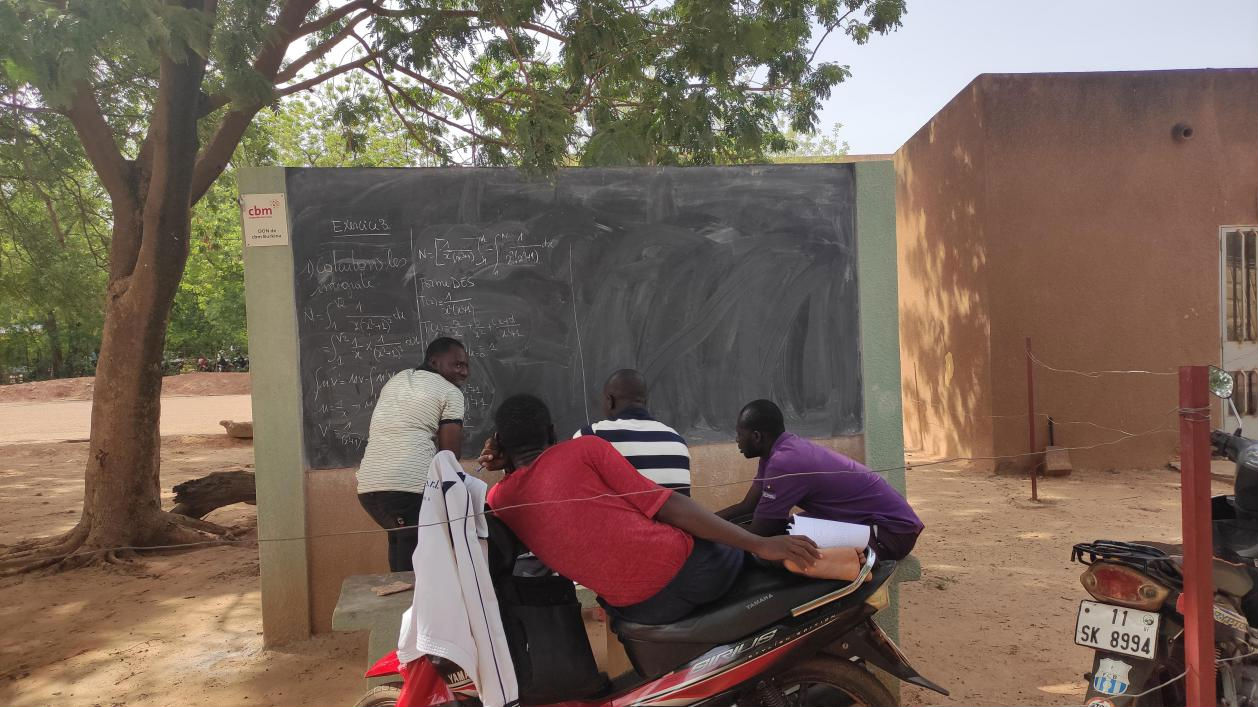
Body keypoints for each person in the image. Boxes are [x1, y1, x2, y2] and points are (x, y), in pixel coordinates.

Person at [485, 394, 820, 625]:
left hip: (638, 611)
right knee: (752, 549)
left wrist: (505, 465)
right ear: (552, 431)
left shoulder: (499, 501)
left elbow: (531, 493)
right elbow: (668, 505)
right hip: (693, 573)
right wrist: (760, 544)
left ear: (501, 443)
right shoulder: (585, 449)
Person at [718, 399, 924, 562]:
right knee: (785, 532)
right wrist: (705, 522)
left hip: (892, 533)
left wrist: (712, 533)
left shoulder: (784, 462)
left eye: (739, 434)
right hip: (871, 522)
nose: (737, 440)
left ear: (757, 437)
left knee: (784, 549)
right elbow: (748, 506)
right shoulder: (774, 454)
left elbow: (760, 532)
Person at [356, 337, 470, 571]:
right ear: (434, 362)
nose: (464, 372)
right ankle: (411, 594)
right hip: (407, 488)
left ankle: (402, 591)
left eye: (466, 366)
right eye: (458, 364)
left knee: (401, 541)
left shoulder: (397, 380)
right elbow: (449, 454)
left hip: (368, 487)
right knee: (414, 558)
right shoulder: (451, 392)